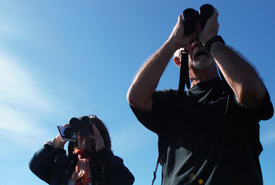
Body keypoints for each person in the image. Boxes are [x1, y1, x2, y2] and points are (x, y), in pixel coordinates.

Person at [127, 6, 273, 185]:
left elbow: (250, 89)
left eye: (200, 41)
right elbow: (136, 97)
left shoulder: (233, 93)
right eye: (190, 43)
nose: (196, 43)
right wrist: (173, 42)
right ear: (178, 61)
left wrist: (212, 40)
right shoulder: (172, 102)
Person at [29, 115, 135, 185]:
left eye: (88, 134)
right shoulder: (64, 167)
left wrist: (102, 152)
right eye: (79, 135)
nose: (83, 138)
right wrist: (58, 141)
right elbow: (36, 166)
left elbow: (126, 181)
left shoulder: (108, 166)